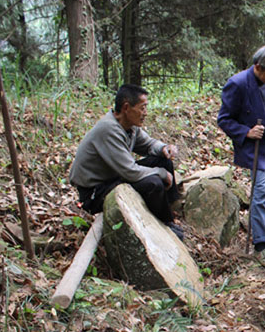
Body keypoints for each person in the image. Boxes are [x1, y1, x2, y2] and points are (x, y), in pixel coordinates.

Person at [69, 84, 184, 240]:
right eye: (142, 108)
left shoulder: (130, 126)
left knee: (163, 162)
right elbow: (130, 171)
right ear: (126, 107)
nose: (145, 113)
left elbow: (148, 144)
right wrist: (162, 174)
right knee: (154, 182)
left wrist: (164, 148)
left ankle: (171, 208)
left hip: (113, 177)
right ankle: (166, 223)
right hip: (95, 193)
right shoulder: (109, 129)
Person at [217, 44, 265, 269]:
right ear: (258, 67)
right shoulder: (238, 84)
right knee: (262, 192)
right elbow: (224, 119)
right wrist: (246, 132)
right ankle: (261, 246)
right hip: (258, 148)